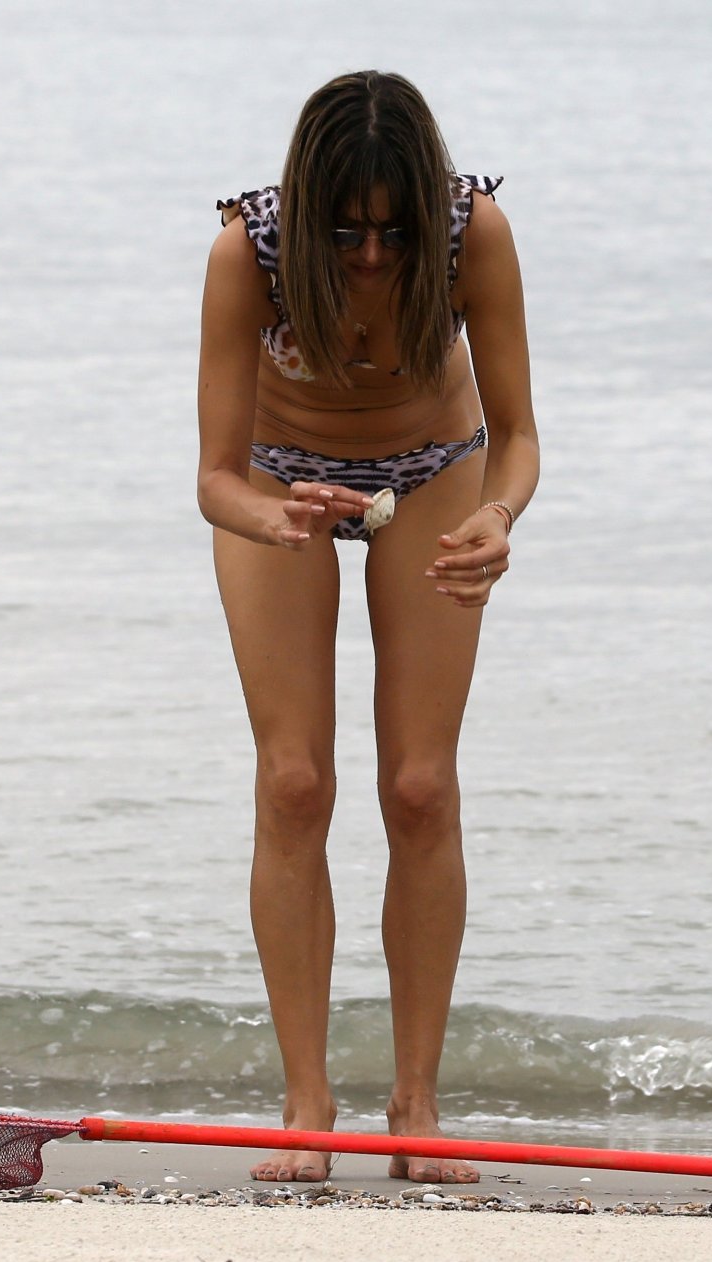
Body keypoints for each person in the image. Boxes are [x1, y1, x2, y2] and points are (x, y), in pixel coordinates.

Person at [197, 70, 540, 1185]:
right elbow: (213, 477)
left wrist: (497, 517)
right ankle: (307, 1103)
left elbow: (518, 434)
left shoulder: (474, 232)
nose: (376, 257)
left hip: (433, 470)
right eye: (347, 234)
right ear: (306, 212)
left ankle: (416, 1107)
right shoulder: (246, 253)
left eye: (397, 233)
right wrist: (269, 514)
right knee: (294, 782)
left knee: (421, 787)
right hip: (278, 478)